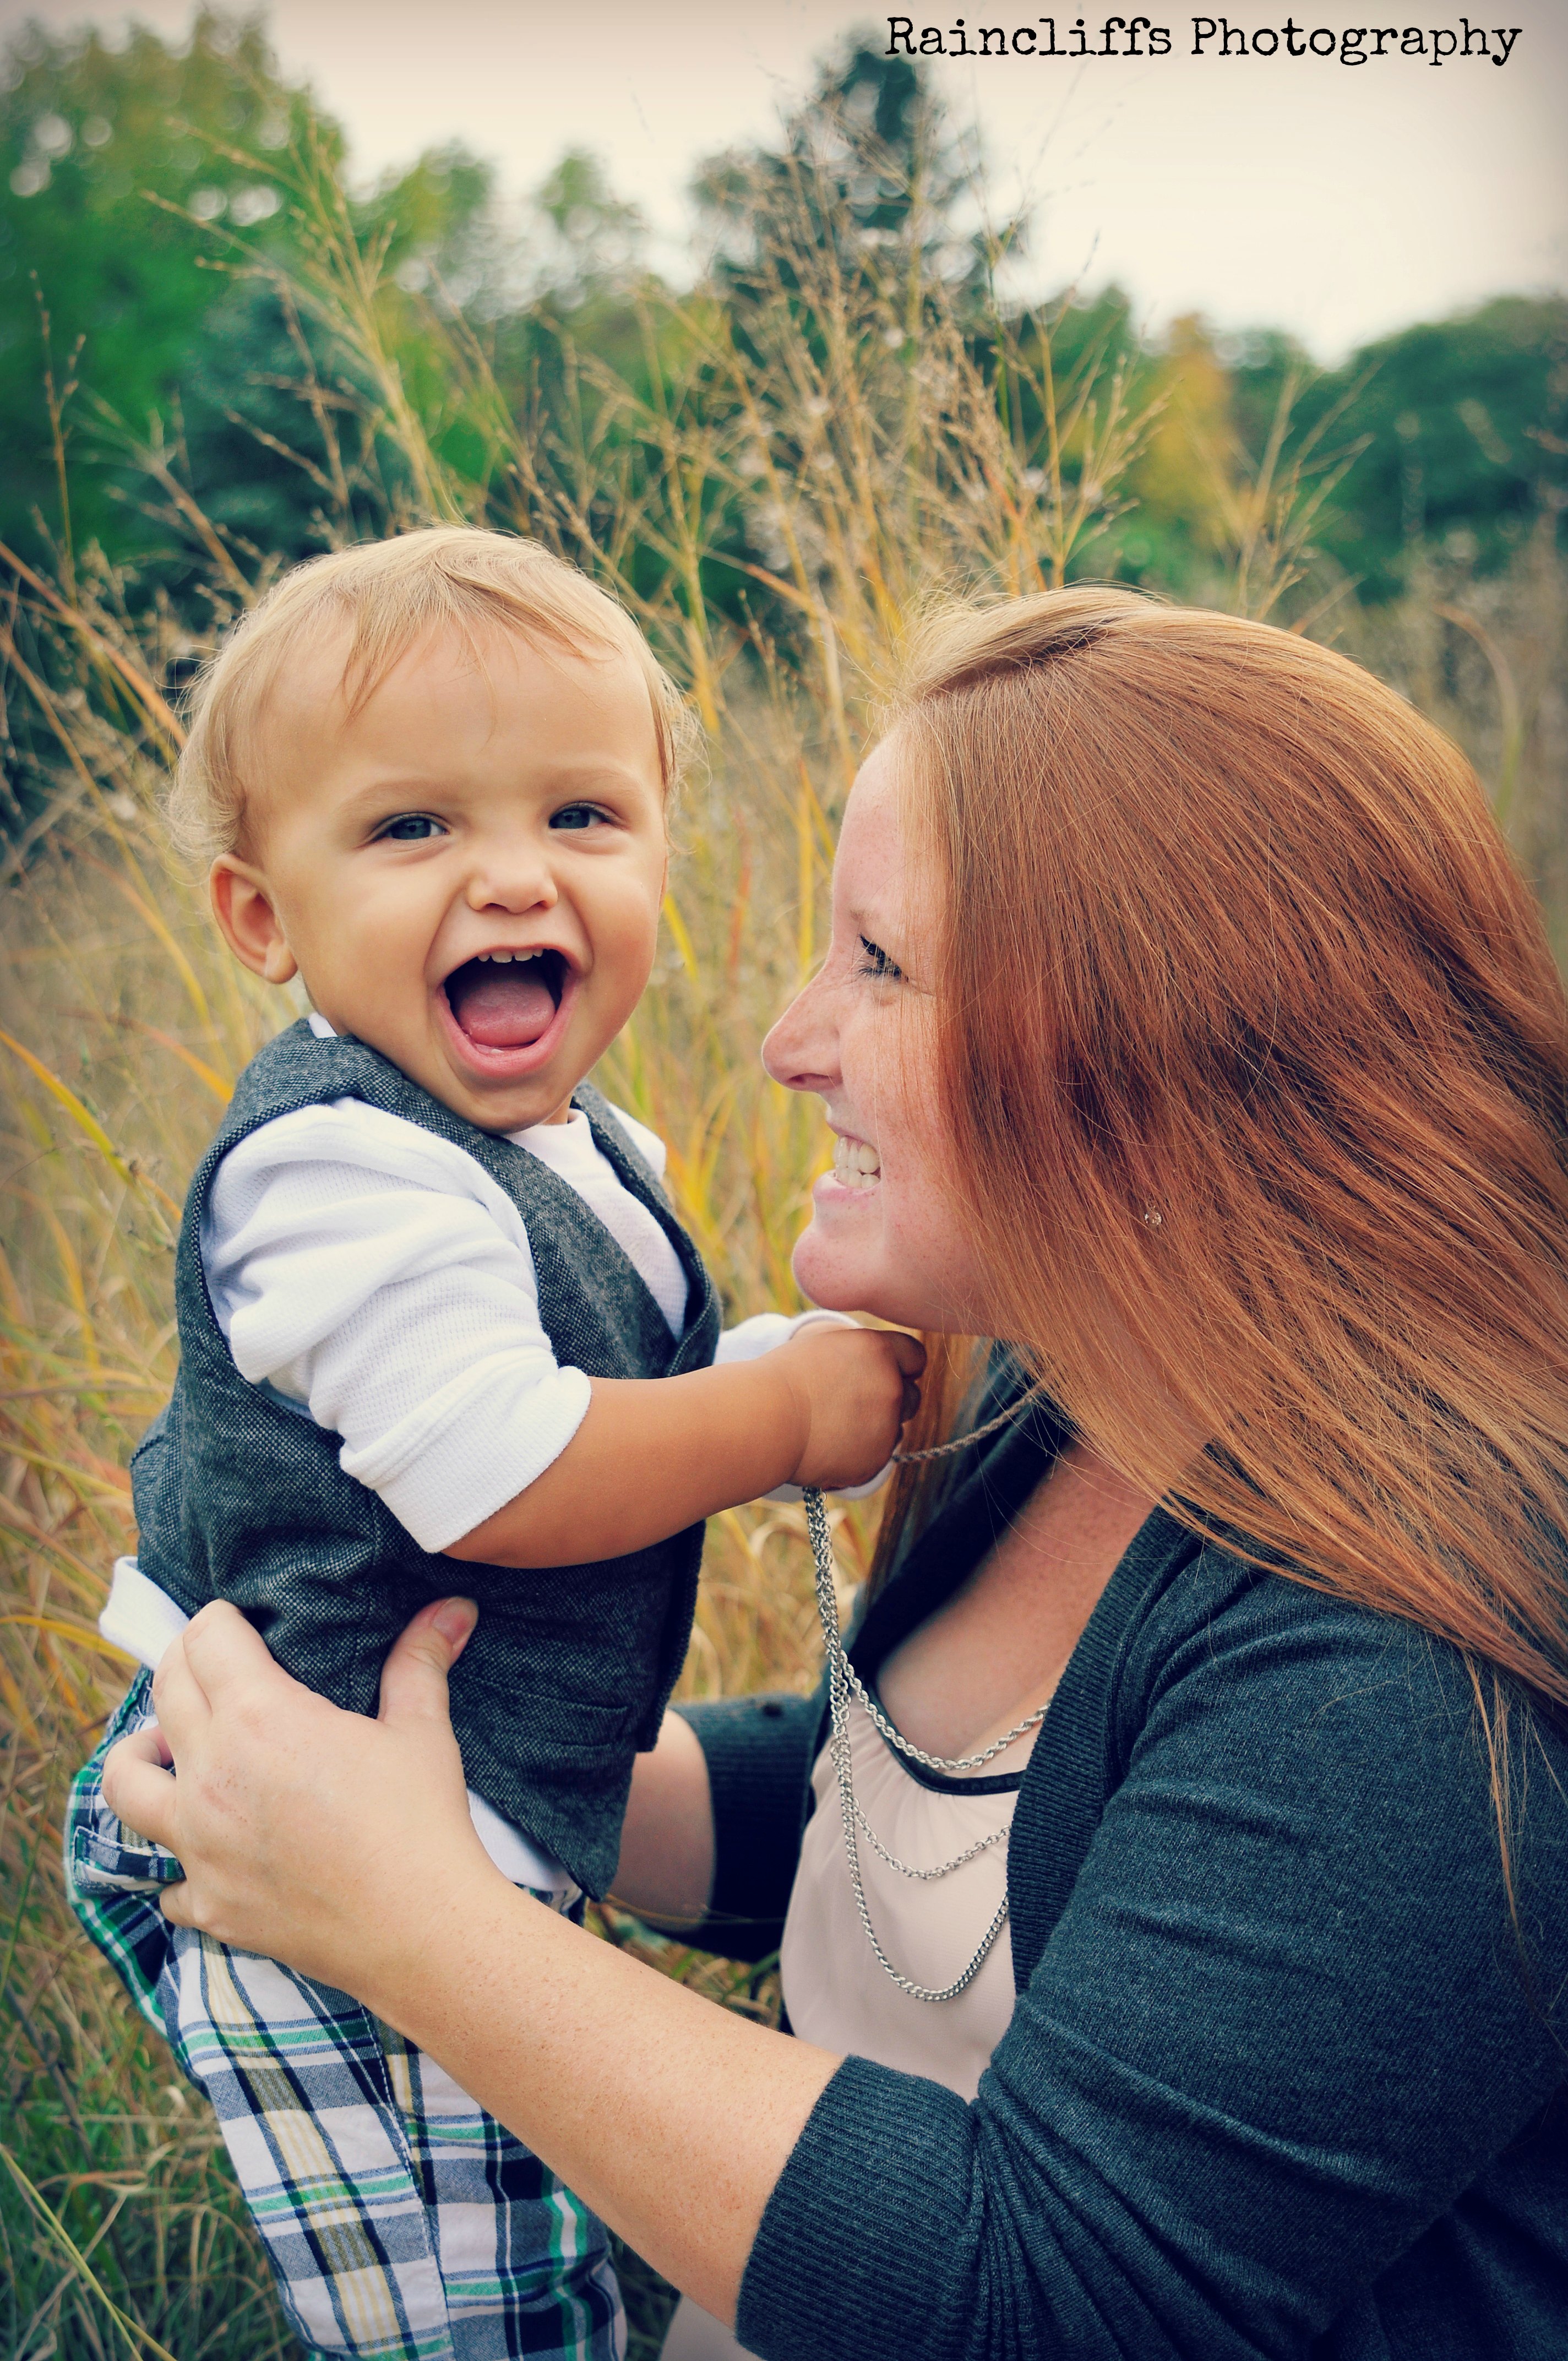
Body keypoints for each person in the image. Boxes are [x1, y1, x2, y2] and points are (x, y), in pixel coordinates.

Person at [104, 588, 1568, 2361]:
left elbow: (1046, 2299)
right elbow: (930, 1818)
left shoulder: (1410, 1659)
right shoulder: (1067, 1397)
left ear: (1153, 1040)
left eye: (876, 964)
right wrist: (413, 1779)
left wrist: (414, 1921)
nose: (789, 1042)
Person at [64, 527, 920, 2361]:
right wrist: (779, 1415)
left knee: (531, 2240)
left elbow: (587, 1377)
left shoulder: (563, 1145)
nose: (515, 872)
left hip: (425, 1816)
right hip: (298, 1829)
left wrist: (761, 1364)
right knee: (465, 2313)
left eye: (583, 815)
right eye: (412, 827)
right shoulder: (334, 1165)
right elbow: (497, 1472)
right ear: (262, 920)